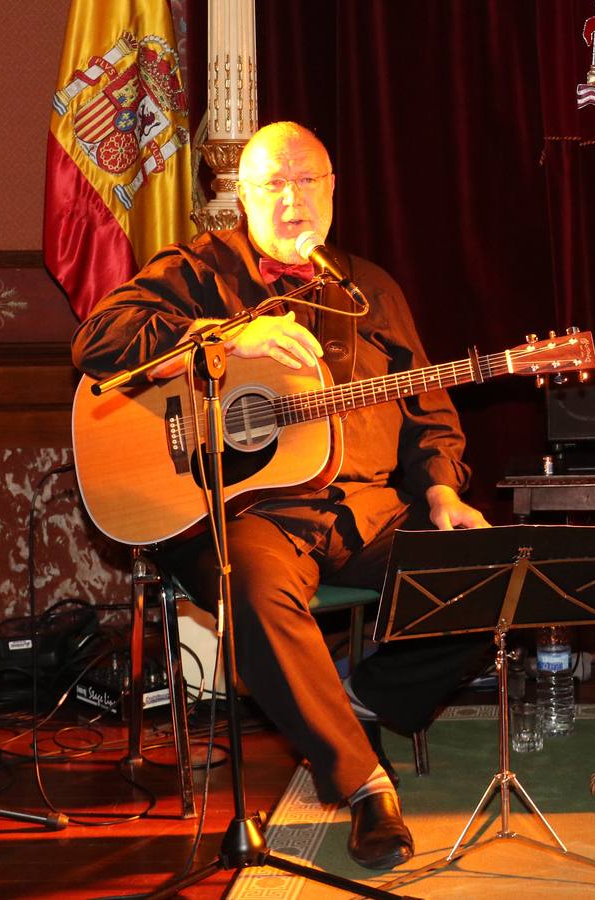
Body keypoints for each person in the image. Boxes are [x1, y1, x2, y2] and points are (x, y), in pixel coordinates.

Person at [71, 121, 491, 870]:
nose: (293, 200)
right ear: (241, 196)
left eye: (308, 182)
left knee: (487, 572)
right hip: (240, 515)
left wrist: (438, 491)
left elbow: (429, 407)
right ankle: (364, 785)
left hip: (362, 510)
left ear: (332, 191)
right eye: (274, 185)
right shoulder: (199, 269)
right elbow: (98, 340)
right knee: (258, 594)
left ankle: (356, 705)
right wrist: (221, 340)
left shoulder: (373, 289)